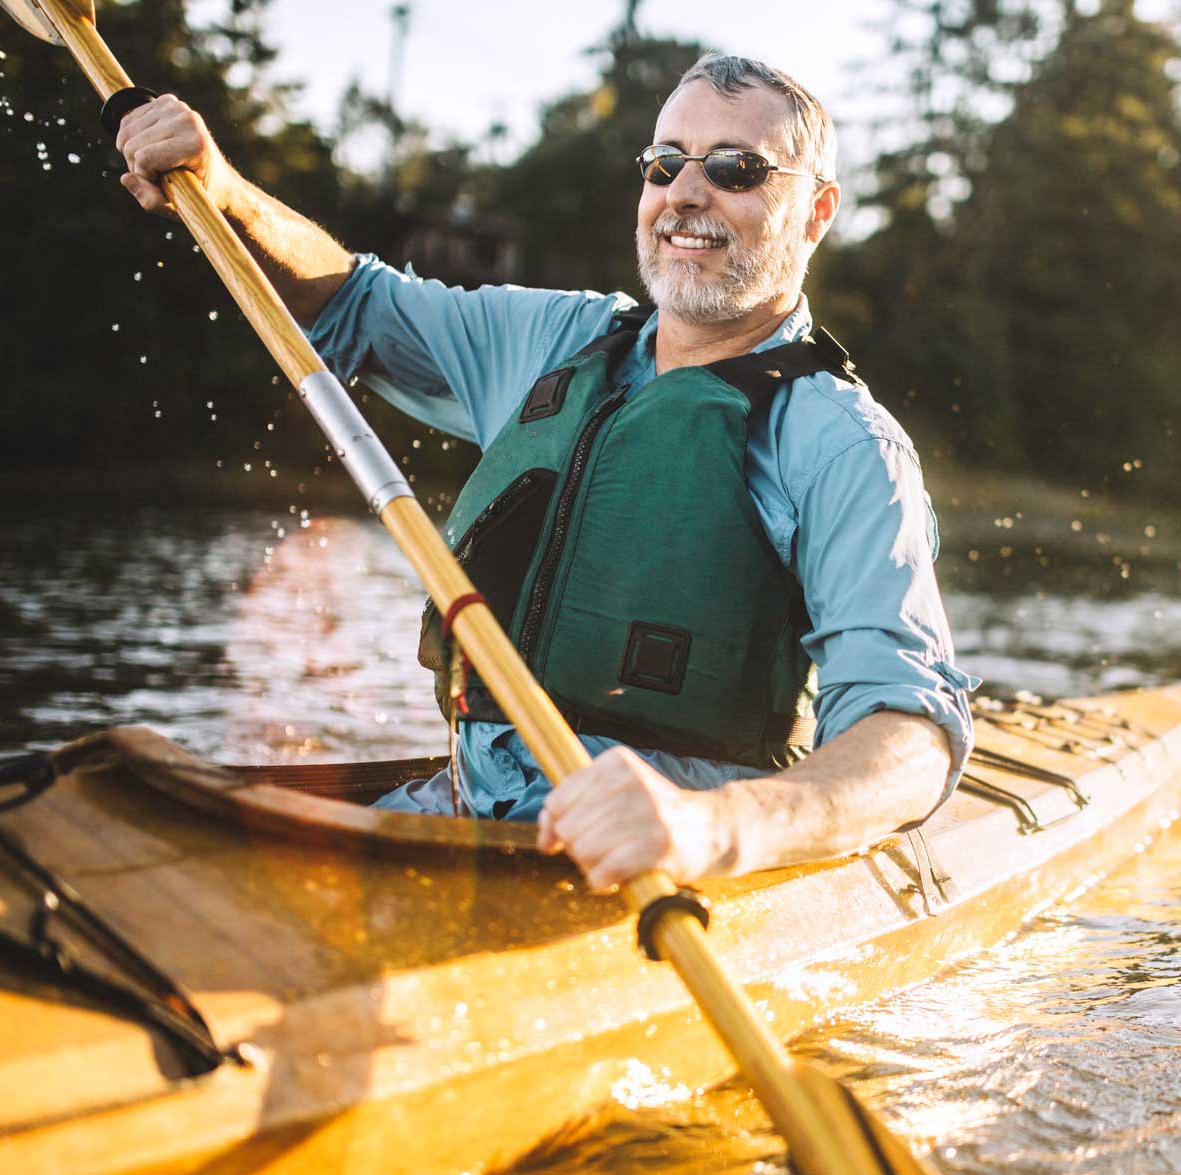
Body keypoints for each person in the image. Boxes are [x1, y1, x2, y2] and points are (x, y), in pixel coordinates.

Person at [112, 55, 976, 893]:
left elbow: (910, 740)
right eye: (664, 162)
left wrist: (710, 826)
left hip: (662, 867)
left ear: (815, 211)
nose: (684, 191)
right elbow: (348, 304)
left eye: (737, 169)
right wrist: (221, 187)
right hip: (465, 813)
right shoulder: (557, 342)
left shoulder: (843, 443)